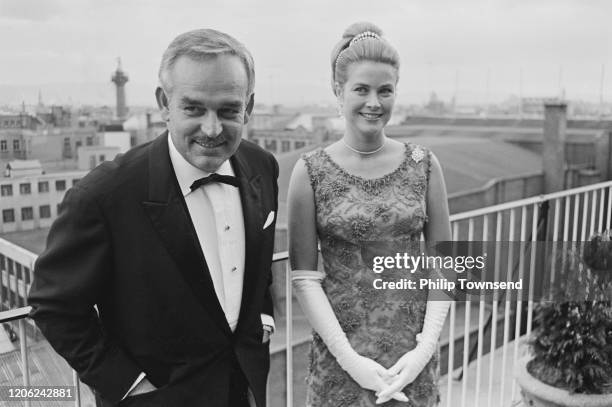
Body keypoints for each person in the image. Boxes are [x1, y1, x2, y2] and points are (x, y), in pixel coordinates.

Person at [28, 28, 278, 407]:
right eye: (193, 108)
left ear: (249, 106)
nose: (212, 129)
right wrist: (129, 386)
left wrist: (263, 316)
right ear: (164, 103)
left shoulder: (262, 166)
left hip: (244, 385)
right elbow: (55, 307)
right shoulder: (103, 195)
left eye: (228, 110)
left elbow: (258, 264)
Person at [288, 22, 451, 406]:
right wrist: (350, 361)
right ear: (338, 90)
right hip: (340, 359)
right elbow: (305, 278)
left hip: (411, 357)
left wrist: (423, 352)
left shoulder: (424, 164)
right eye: (361, 89)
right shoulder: (309, 171)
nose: (373, 103)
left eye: (385, 90)